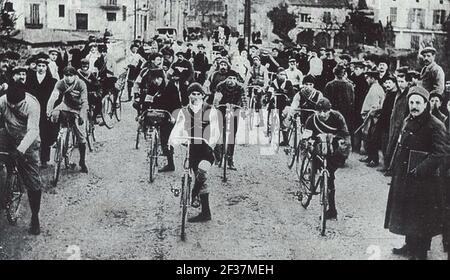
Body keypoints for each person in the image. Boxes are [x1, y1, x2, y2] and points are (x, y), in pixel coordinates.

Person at [385, 86, 448, 260]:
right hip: (405, 176)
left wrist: (419, 170)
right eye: (411, 102)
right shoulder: (408, 119)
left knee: (421, 217)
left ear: (426, 104)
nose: (414, 106)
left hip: (424, 180)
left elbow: (440, 154)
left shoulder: (435, 125)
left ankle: (420, 253)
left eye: (418, 103)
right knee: (407, 212)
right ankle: (409, 245)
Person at [168, 83, 220, 223]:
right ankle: (205, 212)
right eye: (192, 94)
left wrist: (211, 143)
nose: (195, 96)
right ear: (188, 95)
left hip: (207, 149)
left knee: (202, 171)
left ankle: (193, 194)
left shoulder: (210, 110)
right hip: (192, 148)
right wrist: (173, 141)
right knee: (197, 177)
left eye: (198, 94)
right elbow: (178, 127)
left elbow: (215, 129)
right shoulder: (184, 111)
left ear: (203, 95)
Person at [0, 81, 43, 235]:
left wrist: (19, 150)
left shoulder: (32, 105)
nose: (12, 107)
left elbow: (33, 131)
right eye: (10, 104)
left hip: (28, 141)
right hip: (9, 134)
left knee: (32, 181)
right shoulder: (3, 100)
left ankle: (35, 217)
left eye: (16, 105)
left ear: (22, 100)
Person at [304, 97, 351, 219]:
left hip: (333, 149)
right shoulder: (311, 120)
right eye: (319, 111)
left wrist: (340, 146)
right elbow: (306, 137)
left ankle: (332, 210)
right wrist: (310, 142)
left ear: (330, 110)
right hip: (317, 148)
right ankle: (312, 179)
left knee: (329, 177)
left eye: (325, 111)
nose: (322, 114)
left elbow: (345, 135)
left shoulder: (337, 117)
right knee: (315, 161)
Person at [46, 66, 89, 173]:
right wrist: (49, 110)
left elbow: (84, 102)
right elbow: (53, 97)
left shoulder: (81, 84)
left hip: (78, 108)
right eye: (66, 75)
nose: (68, 78)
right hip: (66, 105)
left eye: (71, 75)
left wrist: (82, 116)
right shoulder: (60, 83)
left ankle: (82, 162)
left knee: (81, 136)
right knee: (54, 115)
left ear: (75, 76)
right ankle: (58, 137)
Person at [25, 55, 58, 168]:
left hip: (45, 111)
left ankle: (44, 159)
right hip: (32, 110)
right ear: (36, 67)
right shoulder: (30, 79)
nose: (41, 68)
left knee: (45, 134)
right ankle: (30, 159)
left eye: (43, 66)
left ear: (46, 67)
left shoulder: (52, 81)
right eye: (39, 65)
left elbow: (55, 97)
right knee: (31, 133)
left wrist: (51, 110)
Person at [213, 74, 247, 170]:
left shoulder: (240, 88)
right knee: (219, 132)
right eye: (229, 78)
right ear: (226, 79)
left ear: (236, 80)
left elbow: (244, 99)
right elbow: (216, 98)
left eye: (234, 78)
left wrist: (244, 108)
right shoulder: (220, 86)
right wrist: (216, 104)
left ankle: (230, 159)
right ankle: (218, 152)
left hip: (235, 109)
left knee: (232, 134)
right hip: (222, 108)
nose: (231, 80)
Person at [385, 73, 410, 176]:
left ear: (408, 82)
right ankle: (390, 168)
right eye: (398, 81)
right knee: (392, 145)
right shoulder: (399, 93)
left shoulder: (408, 94)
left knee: (398, 148)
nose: (400, 84)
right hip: (395, 123)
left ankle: (393, 170)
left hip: (402, 124)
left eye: (402, 81)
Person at [359, 70, 386, 167]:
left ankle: (374, 160)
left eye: (368, 78)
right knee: (368, 138)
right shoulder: (374, 88)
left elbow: (375, 106)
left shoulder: (376, 89)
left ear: (373, 79)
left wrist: (370, 115)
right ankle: (370, 157)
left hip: (373, 118)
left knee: (372, 138)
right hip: (370, 117)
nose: (366, 79)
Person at [323, 64, 355, 136]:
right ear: (344, 74)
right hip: (346, 114)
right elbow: (352, 101)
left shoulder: (329, 85)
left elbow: (326, 101)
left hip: (333, 114)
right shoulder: (350, 86)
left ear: (334, 73)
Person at [267, 68, 295, 146]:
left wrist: (289, 98)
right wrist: (268, 96)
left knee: (284, 121)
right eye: (281, 74)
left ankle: (285, 140)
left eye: (284, 74)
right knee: (272, 110)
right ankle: (271, 133)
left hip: (286, 103)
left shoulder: (288, 82)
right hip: (276, 103)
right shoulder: (274, 82)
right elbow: (270, 90)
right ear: (277, 75)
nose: (282, 76)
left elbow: (292, 93)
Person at [350, 61, 369, 153]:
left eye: (358, 69)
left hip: (359, 105)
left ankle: (357, 146)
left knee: (359, 126)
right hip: (353, 105)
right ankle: (353, 145)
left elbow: (362, 96)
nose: (356, 71)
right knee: (353, 125)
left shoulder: (363, 81)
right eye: (355, 69)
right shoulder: (352, 78)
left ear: (362, 70)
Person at [77, 58, 102, 124]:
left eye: (86, 66)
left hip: (90, 94)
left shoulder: (90, 74)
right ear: (80, 66)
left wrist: (96, 91)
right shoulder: (77, 74)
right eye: (83, 66)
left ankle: (94, 118)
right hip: (80, 95)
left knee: (99, 103)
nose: (85, 68)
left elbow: (97, 83)